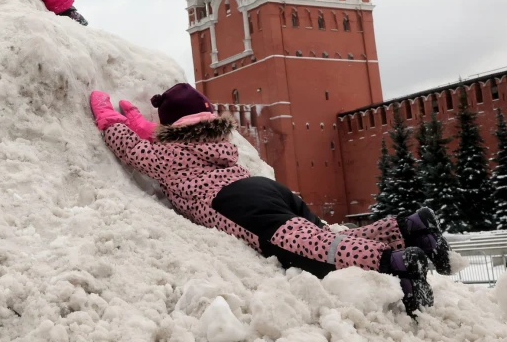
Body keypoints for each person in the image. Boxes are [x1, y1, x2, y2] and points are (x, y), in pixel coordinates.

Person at [88, 83, 450, 316]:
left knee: (317, 250)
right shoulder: (218, 142)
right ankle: (408, 228)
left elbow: (131, 147)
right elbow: (163, 137)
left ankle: (394, 263)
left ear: (171, 127)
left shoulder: (168, 157)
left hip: (234, 203)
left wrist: (106, 112)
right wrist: (142, 123)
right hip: (263, 189)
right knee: (324, 235)